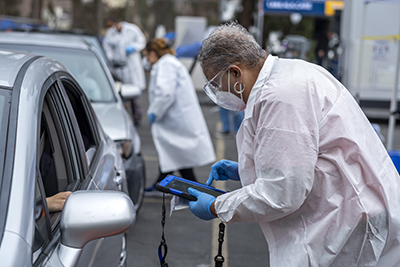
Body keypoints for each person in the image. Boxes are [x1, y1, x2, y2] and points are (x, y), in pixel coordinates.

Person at [187, 22, 400, 266]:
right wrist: (249, 169)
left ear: (236, 72)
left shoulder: (279, 96)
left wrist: (217, 206)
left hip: (350, 226)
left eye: (216, 83)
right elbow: (304, 156)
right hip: (353, 212)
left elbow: (282, 192)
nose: (217, 92)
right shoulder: (293, 73)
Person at [143, 38, 216, 192]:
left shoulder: (166, 64)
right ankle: (164, 184)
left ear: (153, 53)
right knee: (174, 155)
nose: (146, 60)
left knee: (175, 154)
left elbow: (165, 93)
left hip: (175, 120)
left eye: (146, 56)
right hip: (176, 119)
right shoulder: (168, 63)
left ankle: (192, 189)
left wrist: (154, 112)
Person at [103, 17, 146, 126]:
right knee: (121, 94)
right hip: (118, 67)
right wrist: (111, 57)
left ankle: (137, 117)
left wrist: (133, 47)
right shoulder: (111, 33)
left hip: (131, 66)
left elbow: (142, 41)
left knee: (133, 94)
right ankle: (124, 119)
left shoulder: (132, 29)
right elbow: (107, 46)